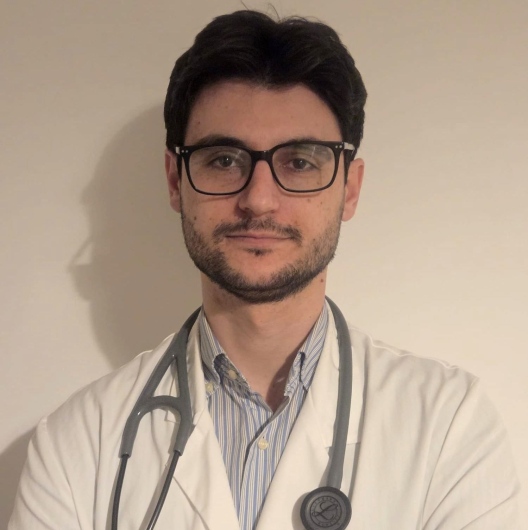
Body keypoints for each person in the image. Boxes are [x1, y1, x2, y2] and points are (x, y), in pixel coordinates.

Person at [9, 9, 520, 530]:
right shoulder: (76, 445)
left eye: (300, 162)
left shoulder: (450, 426)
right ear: (175, 181)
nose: (258, 200)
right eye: (223, 160)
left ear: (350, 189)